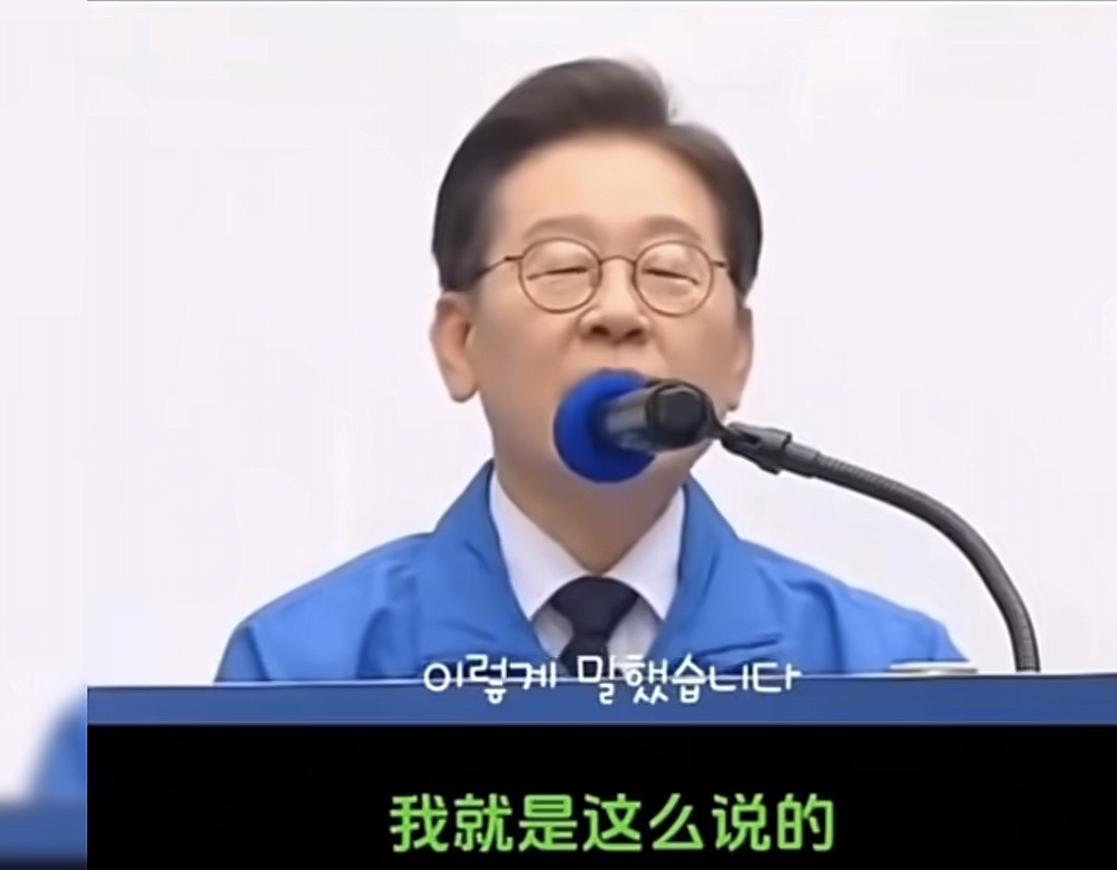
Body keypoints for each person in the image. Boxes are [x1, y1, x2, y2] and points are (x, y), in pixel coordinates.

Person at [215, 57, 965, 683]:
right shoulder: (298, 673)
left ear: (739, 354)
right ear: (461, 340)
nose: (617, 311)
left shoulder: (885, 674)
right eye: (562, 267)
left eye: (668, 271)